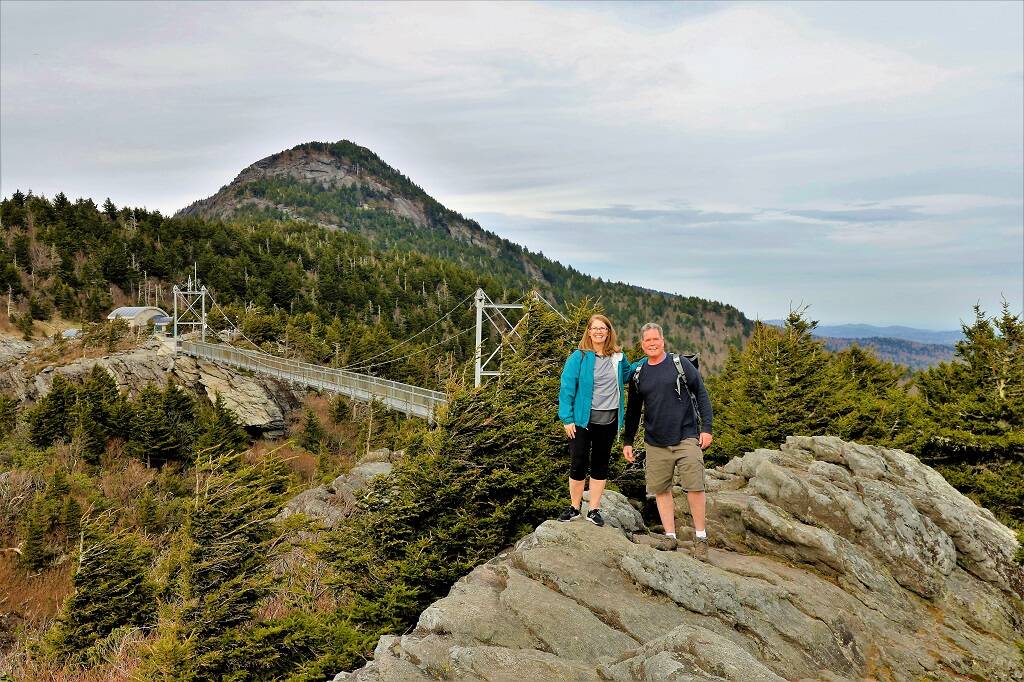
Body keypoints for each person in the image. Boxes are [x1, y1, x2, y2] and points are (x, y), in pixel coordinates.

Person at [623, 322, 713, 559]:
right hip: (655, 442)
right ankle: (670, 537)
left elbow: (701, 393)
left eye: (656, 340)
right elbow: (633, 410)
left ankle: (701, 538)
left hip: (686, 437)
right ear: (642, 344)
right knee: (662, 490)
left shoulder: (679, 364)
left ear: (662, 341)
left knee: (694, 486)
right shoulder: (638, 373)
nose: (652, 344)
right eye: (647, 341)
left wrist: (707, 429)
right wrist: (628, 441)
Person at [557, 314, 632, 527]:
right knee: (578, 462)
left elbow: (627, 376)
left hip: (609, 421)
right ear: (588, 332)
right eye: (595, 328)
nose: (599, 332)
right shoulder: (579, 357)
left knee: (600, 464)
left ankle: (594, 510)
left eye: (603, 328)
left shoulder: (618, 357)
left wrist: (650, 359)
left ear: (609, 332)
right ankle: (574, 507)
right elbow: (567, 388)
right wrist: (567, 418)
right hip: (581, 421)